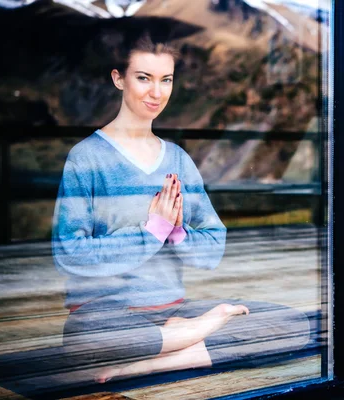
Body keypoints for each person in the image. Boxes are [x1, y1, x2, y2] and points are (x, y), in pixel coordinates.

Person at [51, 30, 311, 384]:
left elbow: (212, 248)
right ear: (118, 79)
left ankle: (151, 360)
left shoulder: (178, 159)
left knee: (291, 326)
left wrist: (176, 233)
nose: (156, 92)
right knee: (87, 337)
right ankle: (195, 339)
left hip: (175, 311)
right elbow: (69, 252)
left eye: (166, 80)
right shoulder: (86, 158)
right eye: (143, 78)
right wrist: (149, 232)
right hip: (107, 316)